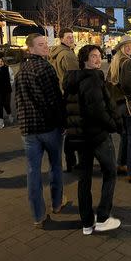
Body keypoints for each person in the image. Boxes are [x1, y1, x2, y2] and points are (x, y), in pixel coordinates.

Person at [63, 45, 122, 235]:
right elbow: (97, 111)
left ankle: (87, 223)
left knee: (84, 179)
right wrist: (114, 125)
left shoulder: (73, 79)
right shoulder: (92, 80)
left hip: (80, 137)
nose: (97, 59)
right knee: (110, 172)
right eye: (93, 56)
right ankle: (103, 218)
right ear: (85, 60)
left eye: (98, 56)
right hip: (97, 136)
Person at [15, 34, 66, 228]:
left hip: (28, 130)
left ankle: (38, 214)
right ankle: (57, 203)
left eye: (46, 43)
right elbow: (54, 101)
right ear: (31, 49)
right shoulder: (45, 68)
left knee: (32, 171)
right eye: (41, 45)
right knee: (55, 165)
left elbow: (18, 101)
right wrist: (62, 123)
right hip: (47, 127)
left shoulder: (21, 71)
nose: (46, 47)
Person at [107, 35, 131, 183]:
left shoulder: (115, 62)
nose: (130, 47)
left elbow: (110, 85)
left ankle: (122, 164)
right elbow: (130, 86)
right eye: (126, 45)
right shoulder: (127, 62)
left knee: (125, 136)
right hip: (129, 106)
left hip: (119, 105)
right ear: (121, 47)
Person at [49, 28, 79, 172]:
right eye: (68, 37)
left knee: (69, 130)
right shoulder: (67, 54)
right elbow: (75, 78)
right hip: (69, 95)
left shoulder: (55, 53)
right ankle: (72, 161)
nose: (71, 39)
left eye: (72, 37)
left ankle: (70, 161)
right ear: (61, 39)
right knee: (73, 130)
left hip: (60, 94)